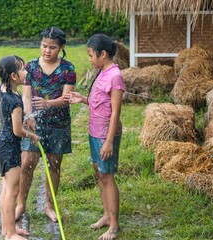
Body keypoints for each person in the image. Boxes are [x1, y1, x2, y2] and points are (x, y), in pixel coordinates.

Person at [65, 34, 125, 240]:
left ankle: (114, 226)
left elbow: (115, 112)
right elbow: (99, 102)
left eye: (91, 55)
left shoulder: (115, 76)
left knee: (107, 177)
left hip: (105, 136)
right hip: (94, 132)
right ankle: (107, 215)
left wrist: (108, 141)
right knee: (100, 174)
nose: (90, 59)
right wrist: (82, 99)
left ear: (103, 54)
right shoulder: (102, 72)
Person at [15, 26, 77, 222]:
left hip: (58, 124)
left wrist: (48, 103)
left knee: (54, 165)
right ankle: (20, 205)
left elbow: (67, 97)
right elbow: (26, 96)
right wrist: (29, 115)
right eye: (44, 46)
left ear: (61, 48)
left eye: (52, 47)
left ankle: (49, 206)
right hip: (34, 123)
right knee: (26, 164)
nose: (47, 51)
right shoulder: (31, 68)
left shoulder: (68, 69)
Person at [0, 55, 40, 240]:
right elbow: (17, 130)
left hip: (1, 145)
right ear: (14, 76)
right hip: (9, 148)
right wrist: (31, 134)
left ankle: (6, 230)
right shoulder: (15, 101)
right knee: (11, 192)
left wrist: (25, 121)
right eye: (22, 69)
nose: (26, 72)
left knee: (7, 190)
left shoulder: (5, 91)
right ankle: (11, 234)